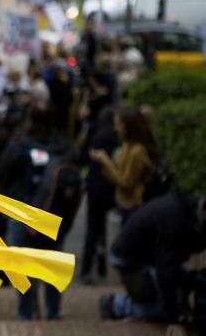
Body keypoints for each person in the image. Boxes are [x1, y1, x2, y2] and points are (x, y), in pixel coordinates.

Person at [0, 106, 67, 320]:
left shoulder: (18, 147)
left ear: (28, 120)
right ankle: (53, 311)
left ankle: (25, 312)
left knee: (23, 262)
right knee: (52, 260)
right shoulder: (60, 147)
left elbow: (1, 176)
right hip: (53, 213)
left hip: (22, 212)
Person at [100, 192, 206, 322]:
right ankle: (115, 305)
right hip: (129, 259)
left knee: (184, 281)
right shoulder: (173, 218)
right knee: (161, 308)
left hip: (148, 255)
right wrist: (175, 317)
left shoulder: (189, 209)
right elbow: (165, 270)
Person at [90, 107, 157, 226]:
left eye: (119, 125)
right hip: (121, 203)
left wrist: (106, 162)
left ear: (129, 127)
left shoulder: (137, 151)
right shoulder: (126, 145)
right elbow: (117, 174)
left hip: (132, 206)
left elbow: (126, 182)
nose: (116, 129)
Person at [79, 107, 118, 284]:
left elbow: (82, 156)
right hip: (110, 186)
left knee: (93, 229)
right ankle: (102, 266)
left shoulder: (94, 133)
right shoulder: (115, 137)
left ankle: (87, 267)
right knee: (102, 228)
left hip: (94, 186)